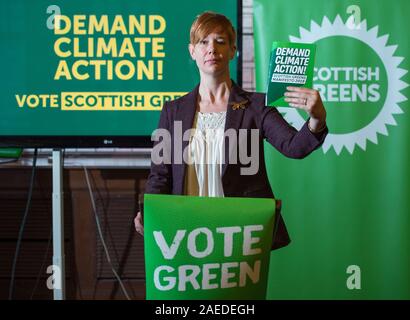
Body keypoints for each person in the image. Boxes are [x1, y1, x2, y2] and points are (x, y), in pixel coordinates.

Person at [134, 11, 327, 250]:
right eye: (203, 42)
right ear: (192, 51)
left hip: (240, 233)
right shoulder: (173, 111)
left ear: (233, 50)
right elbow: (160, 175)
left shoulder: (257, 106)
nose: (212, 49)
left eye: (220, 41)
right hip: (182, 232)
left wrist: (317, 118)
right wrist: (150, 212)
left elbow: (294, 147)